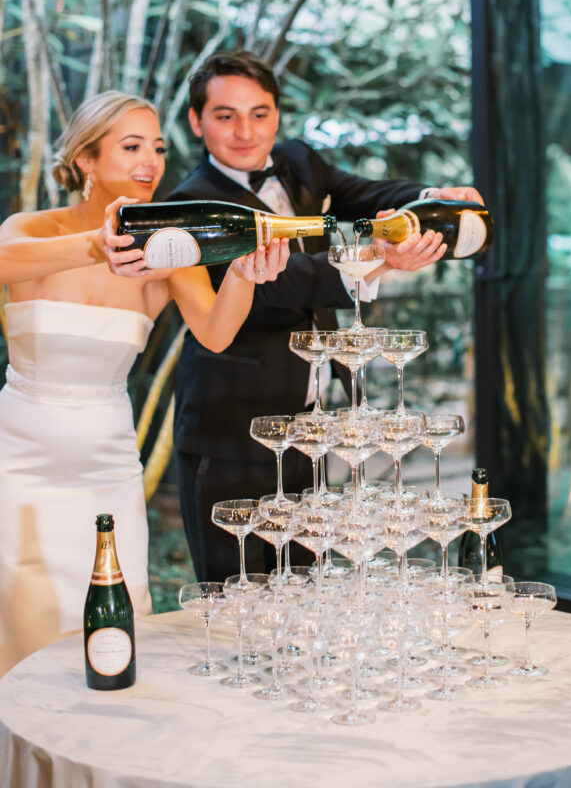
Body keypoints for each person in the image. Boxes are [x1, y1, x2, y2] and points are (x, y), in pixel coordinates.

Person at [0, 90, 288, 675]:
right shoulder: (32, 230)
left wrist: (241, 273)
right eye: (132, 146)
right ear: (86, 159)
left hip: (108, 463)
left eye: (157, 148)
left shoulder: (165, 252)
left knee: (113, 626)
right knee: (22, 625)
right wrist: (93, 247)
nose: (151, 162)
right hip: (19, 463)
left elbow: (215, 332)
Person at [168, 51, 484, 581]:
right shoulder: (194, 206)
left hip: (310, 428)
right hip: (231, 433)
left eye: (259, 113)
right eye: (226, 115)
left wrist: (434, 199)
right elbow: (282, 281)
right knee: (238, 596)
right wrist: (383, 258)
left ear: (276, 116)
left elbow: (369, 195)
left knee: (308, 591)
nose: (246, 131)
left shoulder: (298, 163)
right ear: (197, 121)